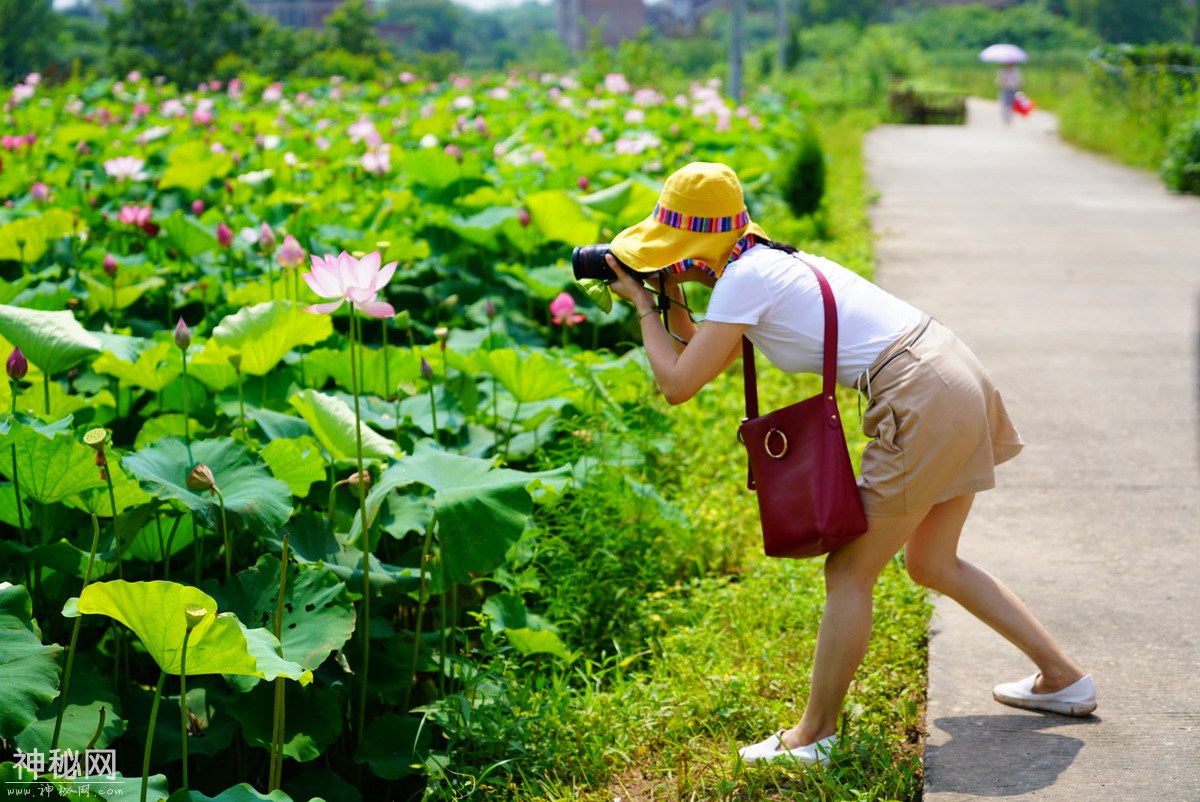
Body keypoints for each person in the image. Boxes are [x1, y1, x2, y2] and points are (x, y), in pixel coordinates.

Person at [603, 161, 1095, 766]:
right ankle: (1062, 677)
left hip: (921, 393)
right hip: (951, 370)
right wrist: (669, 291)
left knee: (848, 573)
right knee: (933, 561)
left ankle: (815, 735)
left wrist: (641, 306)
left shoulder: (744, 280)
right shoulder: (762, 262)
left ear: (694, 246)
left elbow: (678, 383)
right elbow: (708, 356)